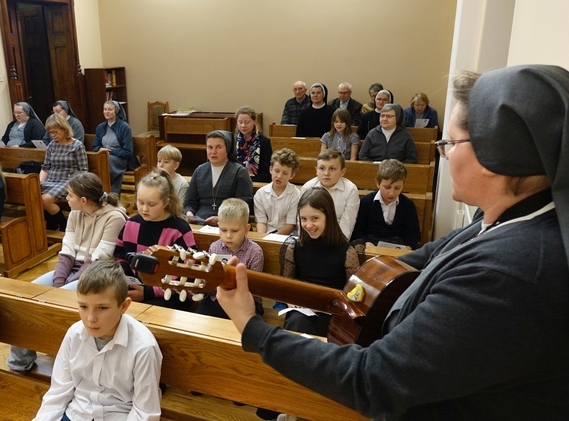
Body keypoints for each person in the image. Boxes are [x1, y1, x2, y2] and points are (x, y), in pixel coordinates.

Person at [217, 65, 569, 419]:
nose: (444, 154)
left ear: (493, 155)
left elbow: (373, 378)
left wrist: (254, 328)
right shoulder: (502, 216)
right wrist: (357, 290)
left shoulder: (506, 274)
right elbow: (428, 256)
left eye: (450, 143)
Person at [255, 187, 360, 421]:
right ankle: (288, 404)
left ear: (328, 217)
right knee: (295, 325)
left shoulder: (346, 251)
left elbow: (354, 297)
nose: (309, 224)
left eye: (315, 218)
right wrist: (294, 302)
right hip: (302, 313)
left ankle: (294, 405)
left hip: (334, 317)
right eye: (303, 219)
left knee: (295, 336)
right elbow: (288, 287)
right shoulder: (295, 246)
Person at [8, 172, 127, 372]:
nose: (66, 198)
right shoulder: (74, 213)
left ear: (83, 200)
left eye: (69, 195)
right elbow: (67, 250)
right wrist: (58, 283)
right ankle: (20, 362)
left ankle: (62, 352)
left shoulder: (115, 218)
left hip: (98, 272)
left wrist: (61, 288)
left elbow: (99, 258)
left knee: (64, 298)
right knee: (26, 296)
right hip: (72, 268)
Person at [33, 259, 163, 421]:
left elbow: (145, 413)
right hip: (77, 413)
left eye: (102, 308)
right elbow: (59, 392)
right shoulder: (74, 334)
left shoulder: (143, 347)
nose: (90, 319)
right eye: (83, 307)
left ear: (124, 306)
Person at [116, 170, 197, 311]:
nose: (144, 209)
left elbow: (187, 271)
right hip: (134, 289)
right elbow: (120, 257)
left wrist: (149, 292)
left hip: (169, 295)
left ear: (166, 202)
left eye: (152, 204)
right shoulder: (131, 223)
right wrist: (127, 280)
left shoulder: (179, 229)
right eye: (140, 202)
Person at [197, 198, 264, 319]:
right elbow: (209, 279)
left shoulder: (255, 252)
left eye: (234, 231)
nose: (228, 235)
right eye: (223, 230)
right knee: (200, 319)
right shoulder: (214, 247)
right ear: (218, 226)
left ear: (246, 229)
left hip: (246, 302)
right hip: (216, 298)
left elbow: (254, 288)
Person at [184, 130, 253, 226]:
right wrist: (189, 214)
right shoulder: (199, 170)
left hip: (229, 224)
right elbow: (190, 202)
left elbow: (243, 205)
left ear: (227, 149)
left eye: (219, 147)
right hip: (199, 223)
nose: (213, 152)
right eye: (210, 147)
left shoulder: (239, 172)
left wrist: (220, 218)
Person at [352, 159, 420, 249]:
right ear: (377, 183)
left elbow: (413, 233)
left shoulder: (407, 205)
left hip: (397, 247)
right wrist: (365, 242)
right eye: (387, 187)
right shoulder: (367, 202)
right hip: (371, 245)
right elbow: (358, 230)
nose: (391, 193)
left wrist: (409, 246)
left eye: (397, 188)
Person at [41, 114, 88, 231]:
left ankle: (63, 224)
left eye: (55, 132)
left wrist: (74, 185)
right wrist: (40, 182)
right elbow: (45, 167)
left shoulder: (77, 146)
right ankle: (52, 224)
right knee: (33, 197)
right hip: (51, 180)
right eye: (51, 133)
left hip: (68, 181)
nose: (53, 135)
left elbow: (83, 171)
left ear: (64, 129)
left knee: (45, 199)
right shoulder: (52, 145)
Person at [301, 149, 360, 239]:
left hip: (336, 239)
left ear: (342, 172)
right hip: (311, 236)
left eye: (332, 169)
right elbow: (301, 220)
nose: (326, 173)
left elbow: (347, 223)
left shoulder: (350, 190)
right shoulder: (307, 188)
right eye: (322, 168)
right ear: (316, 170)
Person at [92, 100, 138, 194]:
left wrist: (110, 152)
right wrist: (100, 149)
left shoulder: (125, 127)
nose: (106, 112)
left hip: (121, 159)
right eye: (105, 109)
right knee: (96, 161)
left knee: (105, 161)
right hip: (104, 157)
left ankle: (107, 191)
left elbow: (128, 152)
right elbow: (95, 146)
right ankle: (97, 190)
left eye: (110, 109)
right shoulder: (100, 127)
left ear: (116, 111)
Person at [254, 148, 300, 235]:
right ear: (271, 169)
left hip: (287, 236)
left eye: (285, 173)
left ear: (292, 175)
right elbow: (261, 222)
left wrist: (274, 238)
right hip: (267, 233)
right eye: (276, 171)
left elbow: (290, 225)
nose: (279, 176)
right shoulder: (261, 194)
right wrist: (262, 237)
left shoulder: (296, 195)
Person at [236, 106, 273, 183]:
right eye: (240, 122)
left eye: (247, 122)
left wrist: (248, 181)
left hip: (257, 181)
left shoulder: (264, 141)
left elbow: (266, 171)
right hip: (236, 181)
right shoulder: (233, 140)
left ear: (254, 122)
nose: (243, 125)